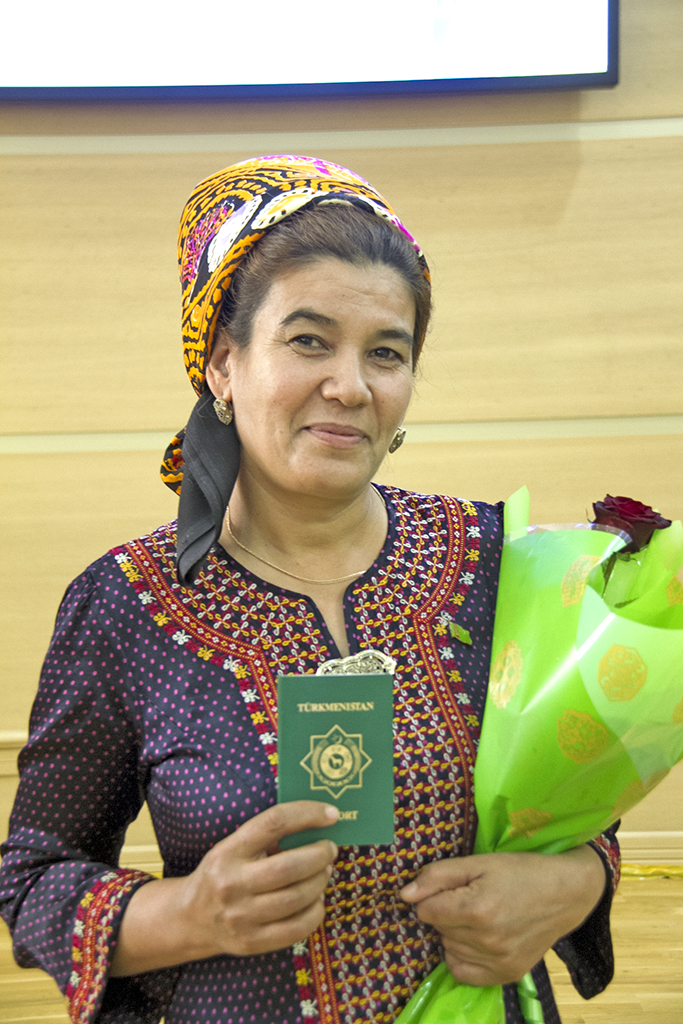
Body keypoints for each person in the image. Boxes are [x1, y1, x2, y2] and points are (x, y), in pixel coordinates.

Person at [0, 155, 619, 1024]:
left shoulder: (490, 560)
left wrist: (578, 880)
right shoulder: (128, 604)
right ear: (223, 364)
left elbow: (577, 801)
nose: (350, 386)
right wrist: (189, 913)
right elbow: (32, 876)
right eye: (308, 341)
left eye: (386, 353)